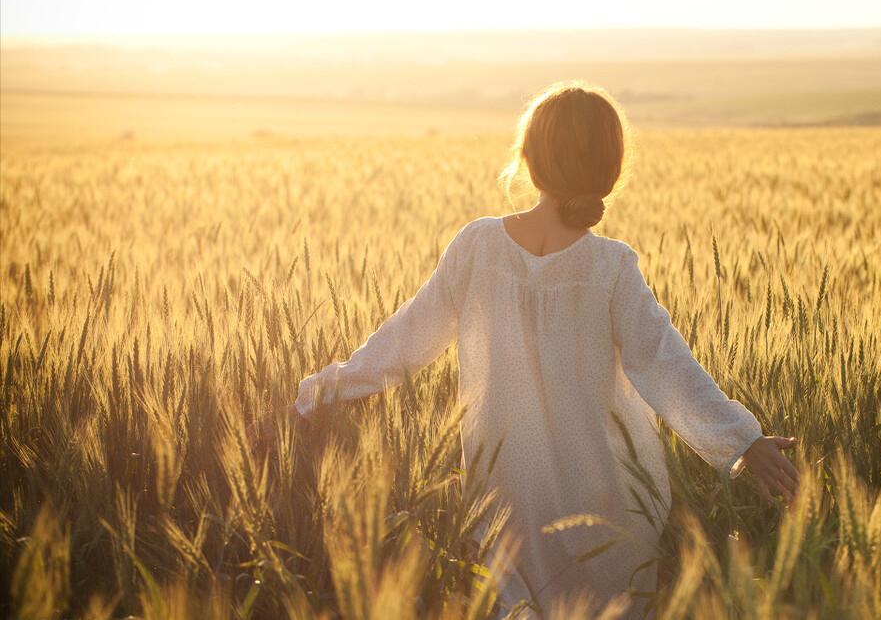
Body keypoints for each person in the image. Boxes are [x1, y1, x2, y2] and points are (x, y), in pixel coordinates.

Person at [291, 81, 799, 617]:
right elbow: (665, 366)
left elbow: (404, 341)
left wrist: (320, 393)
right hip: (607, 504)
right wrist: (742, 442)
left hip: (505, 499)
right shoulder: (610, 267)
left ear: (529, 161)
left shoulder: (478, 247)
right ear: (610, 170)